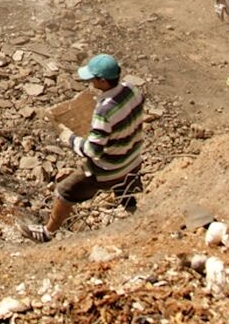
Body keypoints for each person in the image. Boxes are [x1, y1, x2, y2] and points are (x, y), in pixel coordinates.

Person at [25, 53, 144, 241]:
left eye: (93, 79)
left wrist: (70, 138)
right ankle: (132, 209)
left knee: (65, 191)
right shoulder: (132, 90)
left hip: (110, 168)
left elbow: (93, 151)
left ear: (103, 81)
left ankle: (48, 232)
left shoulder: (104, 111)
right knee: (126, 185)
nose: (91, 83)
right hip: (134, 159)